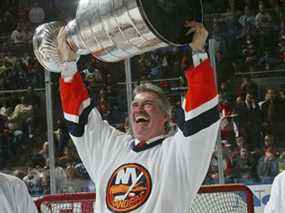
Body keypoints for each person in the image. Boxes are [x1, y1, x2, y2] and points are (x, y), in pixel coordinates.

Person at [57, 21, 220, 212]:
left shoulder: (178, 153)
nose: (138, 109)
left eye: (148, 104)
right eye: (135, 105)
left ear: (166, 116)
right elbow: (80, 118)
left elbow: (201, 111)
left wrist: (198, 51)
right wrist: (68, 64)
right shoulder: (111, 148)